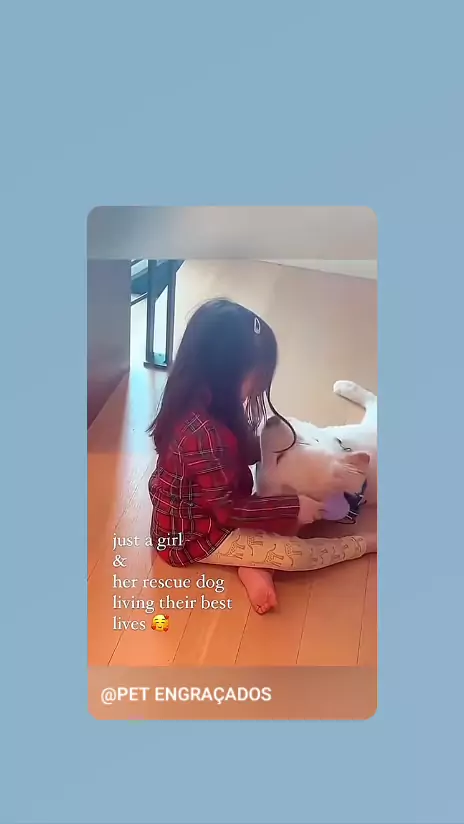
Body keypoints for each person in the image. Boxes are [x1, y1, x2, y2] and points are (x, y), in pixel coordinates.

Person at [148, 298, 376, 614]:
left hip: (217, 506)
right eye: (255, 380)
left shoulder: (208, 401)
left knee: (280, 514)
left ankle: (253, 563)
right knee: (296, 554)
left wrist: (281, 449)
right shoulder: (202, 435)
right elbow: (230, 511)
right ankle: (365, 544)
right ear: (225, 373)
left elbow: (233, 463)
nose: (257, 390)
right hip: (192, 537)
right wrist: (294, 506)